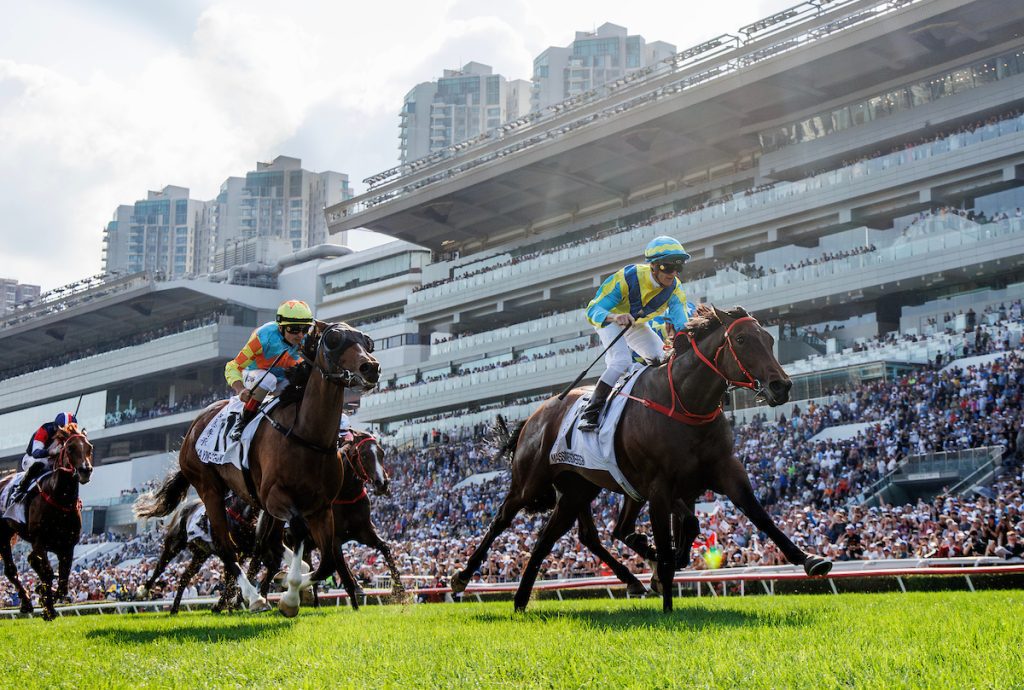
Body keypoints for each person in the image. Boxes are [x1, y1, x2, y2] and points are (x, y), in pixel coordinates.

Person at [579, 235, 692, 431]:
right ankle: (591, 412)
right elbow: (592, 310)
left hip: (635, 324)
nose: (673, 273)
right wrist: (615, 317)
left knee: (662, 358)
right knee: (621, 361)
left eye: (678, 267)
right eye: (667, 267)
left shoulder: (675, 290)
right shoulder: (627, 277)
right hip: (610, 321)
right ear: (654, 266)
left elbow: (682, 324)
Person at [224, 300, 313, 442]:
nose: (301, 335)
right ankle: (243, 421)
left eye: (305, 329)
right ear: (280, 327)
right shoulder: (263, 337)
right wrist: (240, 389)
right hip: (253, 375)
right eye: (294, 329)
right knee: (268, 379)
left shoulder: (307, 340)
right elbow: (233, 366)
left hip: (282, 379)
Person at [12, 411, 78, 502]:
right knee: (42, 463)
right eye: (65, 431)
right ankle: (20, 490)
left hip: (53, 463)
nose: (68, 434)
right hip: (32, 459)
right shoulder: (45, 430)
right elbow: (36, 453)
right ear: (57, 427)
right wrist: (52, 452)